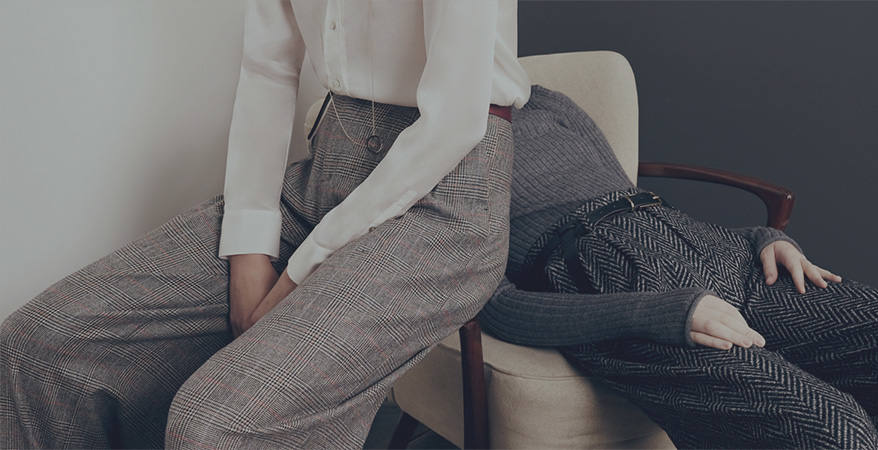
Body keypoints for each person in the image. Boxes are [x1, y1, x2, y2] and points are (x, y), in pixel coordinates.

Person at [0, 1, 530, 448]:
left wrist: (300, 272)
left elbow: (453, 122)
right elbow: (268, 68)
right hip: (325, 175)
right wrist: (249, 245)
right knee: (39, 343)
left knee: (214, 426)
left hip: (444, 201)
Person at [477, 84, 878, 449]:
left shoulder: (541, 100)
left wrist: (762, 237)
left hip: (722, 255)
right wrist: (660, 313)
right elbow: (496, 305)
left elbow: (626, 195)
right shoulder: (442, 139)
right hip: (626, 293)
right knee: (833, 428)